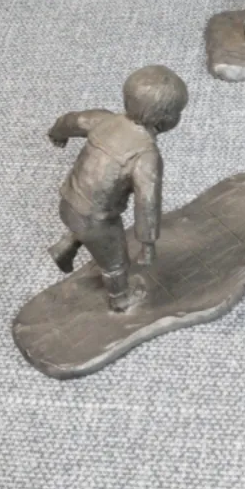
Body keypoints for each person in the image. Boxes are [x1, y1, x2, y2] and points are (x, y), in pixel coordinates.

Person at [46, 65, 188, 312]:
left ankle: (65, 246)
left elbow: (73, 120)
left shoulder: (103, 120)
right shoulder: (145, 156)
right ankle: (120, 298)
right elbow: (147, 204)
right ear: (166, 119)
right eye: (178, 112)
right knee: (115, 262)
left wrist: (57, 133)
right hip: (98, 221)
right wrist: (147, 243)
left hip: (67, 201)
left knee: (83, 224)